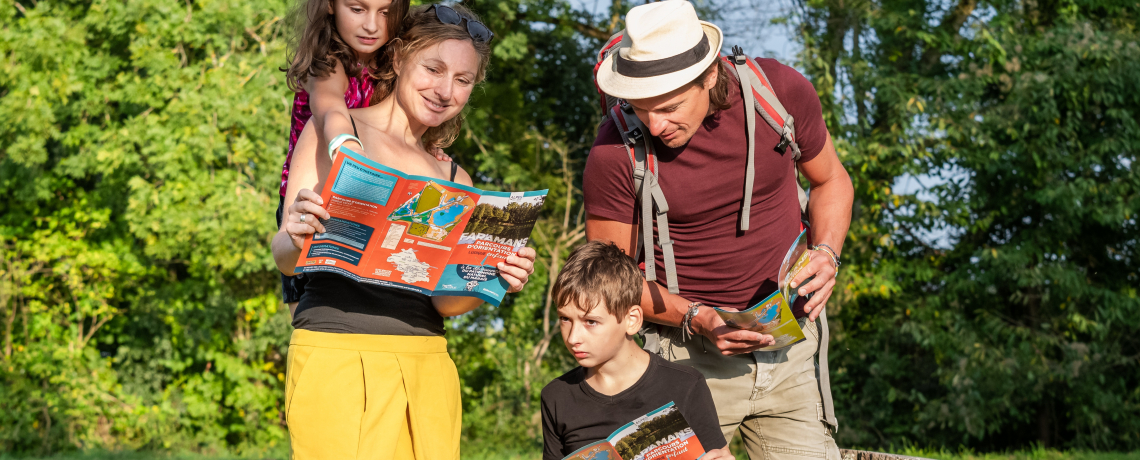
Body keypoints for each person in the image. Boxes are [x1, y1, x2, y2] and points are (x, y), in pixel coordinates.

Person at [584, 2, 854, 460]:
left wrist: (826, 251)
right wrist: (698, 318)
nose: (655, 125)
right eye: (641, 108)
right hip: (682, 361)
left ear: (710, 75)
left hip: (790, 349)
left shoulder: (780, 92)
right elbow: (611, 282)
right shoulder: (613, 152)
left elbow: (831, 180)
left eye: (669, 107)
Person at [272, 5, 534, 459]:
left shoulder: (457, 176)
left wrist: (493, 278)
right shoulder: (336, 132)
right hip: (337, 356)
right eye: (433, 69)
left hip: (427, 366)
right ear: (398, 60)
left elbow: (446, 302)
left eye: (463, 80)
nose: (445, 90)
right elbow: (284, 256)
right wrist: (295, 233)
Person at [279, 0, 449, 315]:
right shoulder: (327, 60)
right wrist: (347, 148)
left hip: (365, 198)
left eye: (385, 12)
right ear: (329, 5)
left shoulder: (392, 61)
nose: (372, 25)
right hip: (309, 202)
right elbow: (330, 108)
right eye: (358, 9)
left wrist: (427, 147)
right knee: (313, 313)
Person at [541, 241, 733, 460]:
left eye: (590, 322)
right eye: (565, 319)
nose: (573, 337)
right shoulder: (556, 396)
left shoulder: (685, 385)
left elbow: (719, 455)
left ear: (632, 320)